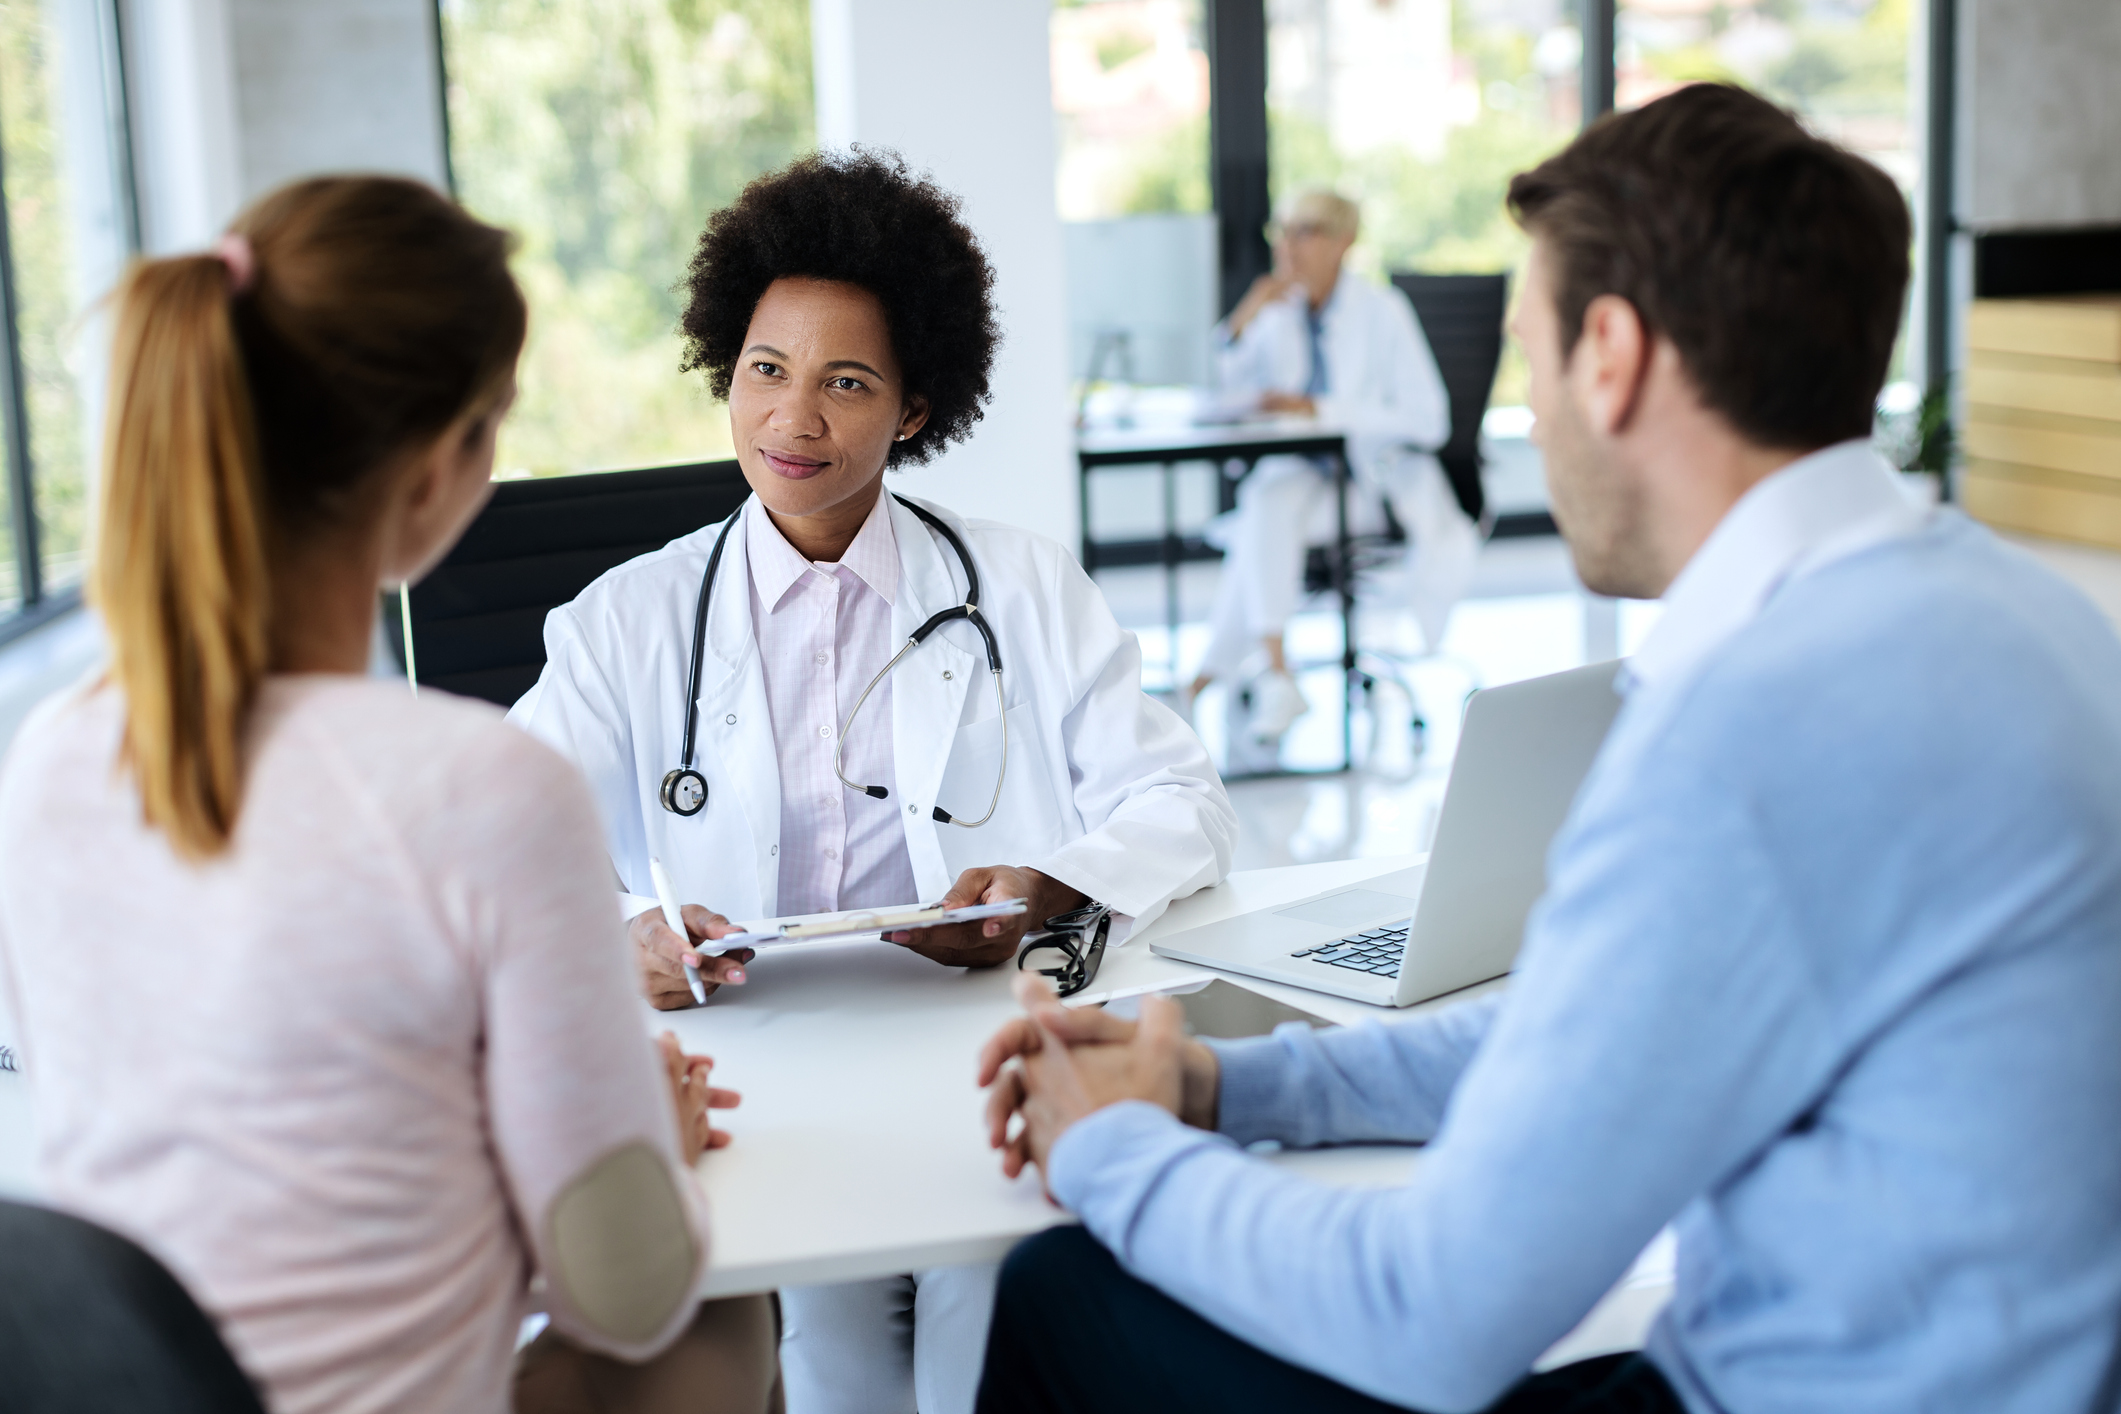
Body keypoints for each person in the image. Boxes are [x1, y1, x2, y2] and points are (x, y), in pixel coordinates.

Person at [974, 84, 2121, 1414]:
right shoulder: (2035, 612)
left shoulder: (1742, 736)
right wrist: (1222, 1083)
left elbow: (1432, 1314)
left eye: (1528, 351)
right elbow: (1591, 1028)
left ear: (1612, 356)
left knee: (1065, 1292)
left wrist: (1111, 1146)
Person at [0, 178, 782, 1414]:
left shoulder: (45, 761)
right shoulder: (483, 788)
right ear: (431, 473)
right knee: (717, 1311)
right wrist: (653, 1146)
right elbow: (619, 1287)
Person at [507, 150, 1236, 1414]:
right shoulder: (625, 621)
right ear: (722, 374)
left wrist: (1047, 886)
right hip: (759, 1059)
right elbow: (504, 852)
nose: (794, 420)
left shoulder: (1020, 585)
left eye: (846, 383)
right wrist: (622, 928)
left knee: (991, 1302)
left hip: (977, 1034)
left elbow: (1185, 804)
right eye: (764, 373)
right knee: (835, 1331)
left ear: (912, 407)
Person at [1189, 187, 1472, 744]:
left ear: (1345, 243)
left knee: (1259, 522)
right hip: (1302, 478)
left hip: (1374, 482)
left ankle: (1205, 683)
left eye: (1305, 232)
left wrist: (1321, 408)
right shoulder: (1280, 313)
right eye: (1283, 231)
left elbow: (1429, 418)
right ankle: (1273, 673)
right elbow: (1219, 394)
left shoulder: (1383, 311)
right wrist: (1245, 319)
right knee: (1266, 504)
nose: (1288, 246)